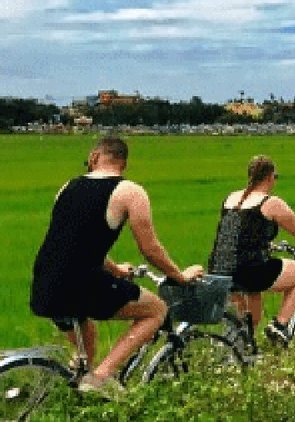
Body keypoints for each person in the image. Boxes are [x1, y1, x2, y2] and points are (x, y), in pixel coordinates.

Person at [29, 137, 205, 397]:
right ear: (123, 162)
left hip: (44, 281)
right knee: (156, 310)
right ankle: (102, 377)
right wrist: (179, 276)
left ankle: (79, 396)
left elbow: (71, 243)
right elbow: (150, 249)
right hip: (81, 281)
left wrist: (114, 269)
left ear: (94, 156)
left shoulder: (68, 186)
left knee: (85, 355)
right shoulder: (130, 191)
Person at [208, 155, 295, 347]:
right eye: (275, 176)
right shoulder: (270, 202)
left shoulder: (231, 198)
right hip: (249, 270)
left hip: (220, 268)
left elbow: (239, 235)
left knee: (250, 322)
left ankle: (236, 357)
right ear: (269, 177)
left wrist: (265, 246)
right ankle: (280, 325)